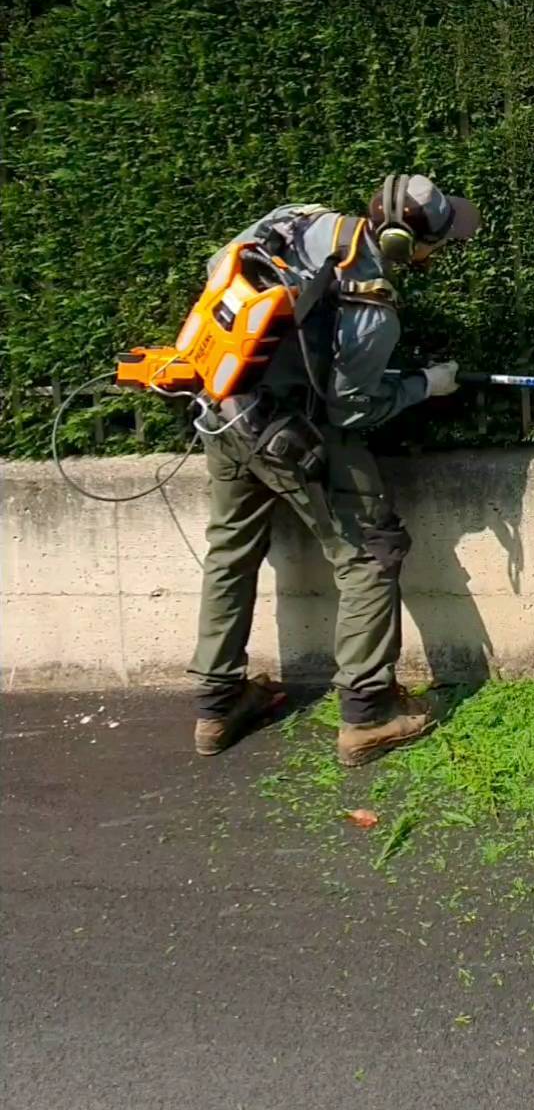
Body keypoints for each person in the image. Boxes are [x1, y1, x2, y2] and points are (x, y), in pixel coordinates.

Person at [187, 174, 480, 765]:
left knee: (230, 549)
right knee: (371, 552)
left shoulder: (298, 218)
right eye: (438, 242)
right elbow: (351, 409)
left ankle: (217, 705)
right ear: (403, 244)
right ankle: (369, 715)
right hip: (292, 438)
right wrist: (425, 385)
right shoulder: (373, 307)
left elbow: (223, 266)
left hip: (222, 409)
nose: (440, 251)